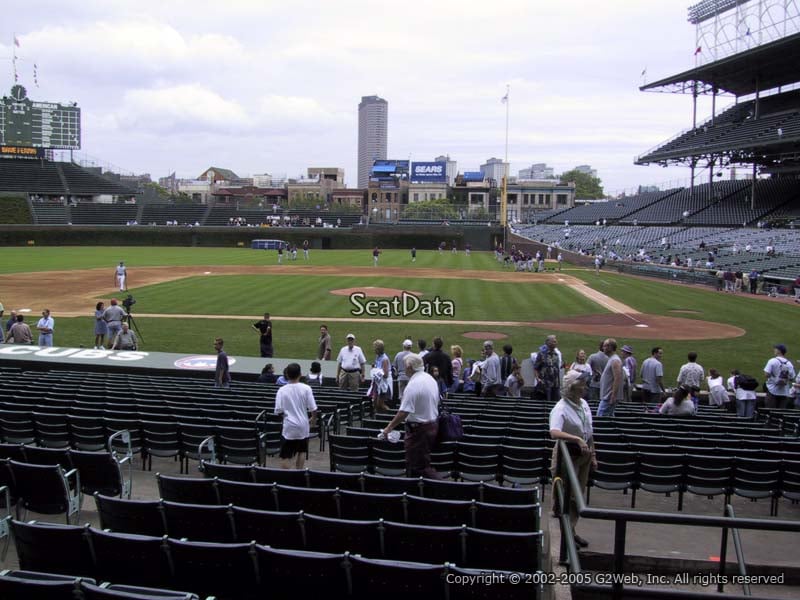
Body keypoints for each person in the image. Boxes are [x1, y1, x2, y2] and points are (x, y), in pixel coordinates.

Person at [549, 369, 596, 549]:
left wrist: (594, 455)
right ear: (572, 387)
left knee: (577, 495)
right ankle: (565, 536)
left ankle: (571, 531)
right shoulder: (561, 407)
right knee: (566, 497)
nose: (584, 387)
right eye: (581, 384)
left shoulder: (583, 404)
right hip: (566, 455)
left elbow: (589, 432)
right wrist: (576, 438)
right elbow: (554, 432)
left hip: (584, 455)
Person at [380, 354, 441, 479]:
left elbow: (403, 412)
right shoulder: (430, 379)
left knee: (417, 466)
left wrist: (388, 428)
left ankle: (439, 488)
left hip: (419, 430)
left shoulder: (413, 385)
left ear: (409, 367)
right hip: (431, 425)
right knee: (422, 463)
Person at [274, 362, 318, 469]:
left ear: (287, 375)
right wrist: (313, 419)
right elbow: (313, 408)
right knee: (301, 451)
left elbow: (278, 410)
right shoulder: (306, 388)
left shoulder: (281, 390)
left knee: (286, 455)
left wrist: (286, 415)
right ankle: (298, 475)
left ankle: (287, 479)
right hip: (303, 425)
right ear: (300, 374)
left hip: (289, 426)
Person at [763, 344, 795, 409]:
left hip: (772, 390)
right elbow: (792, 377)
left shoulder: (772, 361)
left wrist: (774, 377)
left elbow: (766, 374)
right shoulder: (789, 364)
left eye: (775, 349)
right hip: (784, 392)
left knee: (770, 411)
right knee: (780, 413)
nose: (774, 350)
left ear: (779, 351)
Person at [597, 338, 623, 417]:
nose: (603, 348)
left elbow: (617, 378)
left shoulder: (615, 360)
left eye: (605, 346)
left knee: (600, 418)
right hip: (607, 396)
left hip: (608, 397)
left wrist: (613, 396)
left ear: (610, 347)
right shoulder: (611, 359)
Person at [534, 335, 562, 403]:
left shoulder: (556, 354)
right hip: (545, 384)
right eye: (553, 341)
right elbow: (536, 368)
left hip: (556, 384)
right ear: (548, 343)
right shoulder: (542, 354)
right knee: (546, 402)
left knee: (555, 403)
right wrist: (538, 379)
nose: (555, 343)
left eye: (555, 341)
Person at [368, 339, 393, 412]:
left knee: (380, 404)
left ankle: (391, 415)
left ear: (378, 349)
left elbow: (385, 374)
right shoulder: (377, 357)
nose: (373, 349)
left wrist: (377, 372)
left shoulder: (384, 359)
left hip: (383, 385)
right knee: (375, 403)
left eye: (374, 348)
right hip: (377, 383)